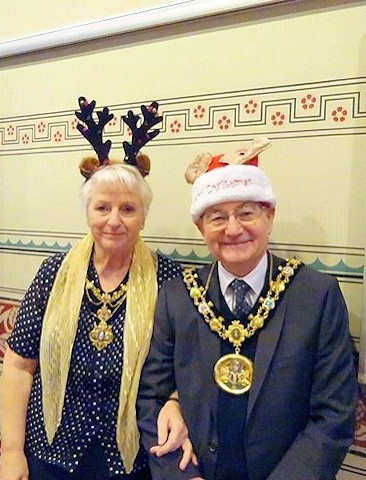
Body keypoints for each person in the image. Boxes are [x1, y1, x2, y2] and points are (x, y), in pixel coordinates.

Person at [137, 137, 358, 480]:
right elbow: (151, 397)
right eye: (217, 217)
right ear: (201, 227)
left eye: (246, 213)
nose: (233, 229)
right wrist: (182, 476)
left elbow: (334, 417)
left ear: (269, 216)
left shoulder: (316, 296)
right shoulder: (178, 295)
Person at [0, 98, 188, 480]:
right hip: (50, 453)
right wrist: (14, 452)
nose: (114, 221)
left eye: (128, 209)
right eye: (102, 208)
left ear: (144, 216)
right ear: (88, 213)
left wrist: (176, 403)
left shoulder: (171, 280)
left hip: (132, 460)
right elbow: (18, 366)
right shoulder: (54, 273)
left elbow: (189, 368)